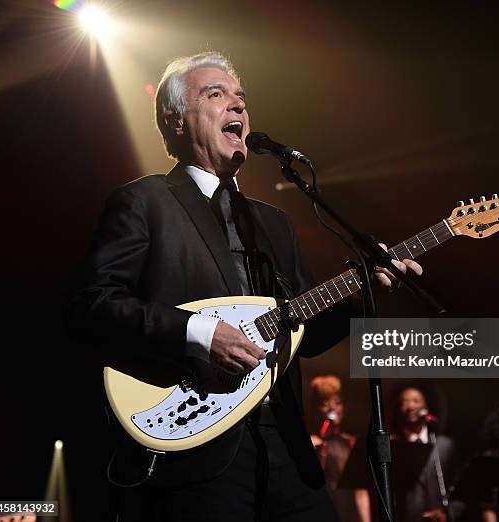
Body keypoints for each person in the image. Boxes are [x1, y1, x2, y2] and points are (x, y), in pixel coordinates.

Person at [66, 51, 422, 522]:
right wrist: (200, 332)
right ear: (175, 119)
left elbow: (305, 333)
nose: (237, 106)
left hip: (287, 445)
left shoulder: (274, 223)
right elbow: (92, 305)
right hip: (197, 445)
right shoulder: (143, 202)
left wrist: (361, 294)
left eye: (241, 99)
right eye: (216, 95)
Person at [390, 385, 458, 522]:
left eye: (416, 401)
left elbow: (459, 486)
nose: (410, 406)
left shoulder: (444, 445)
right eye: (405, 402)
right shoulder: (393, 446)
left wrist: (449, 513)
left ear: (425, 406)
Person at [309, 375, 371, 522]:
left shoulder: (351, 442)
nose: (332, 408)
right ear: (316, 408)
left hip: (349, 514)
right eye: (325, 403)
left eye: (337, 402)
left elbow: (360, 492)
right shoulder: (311, 443)